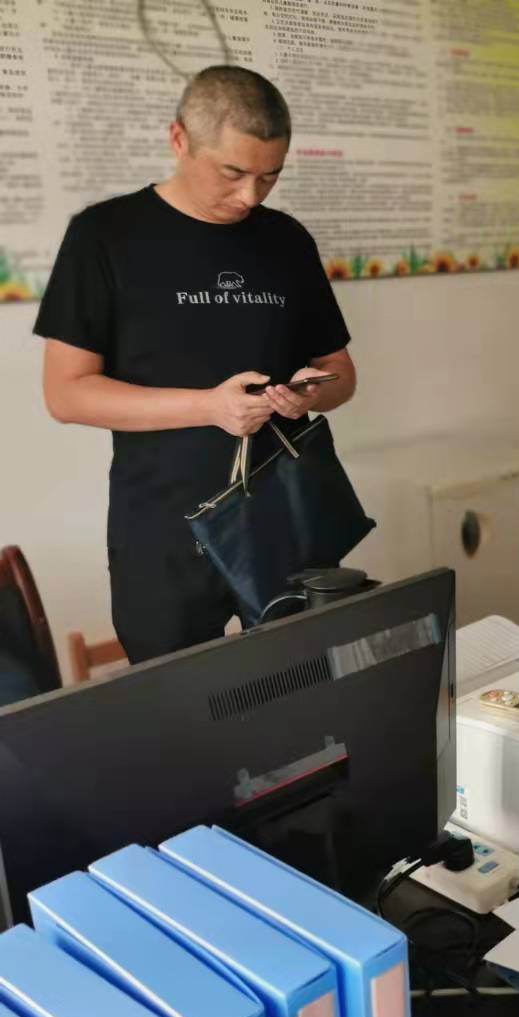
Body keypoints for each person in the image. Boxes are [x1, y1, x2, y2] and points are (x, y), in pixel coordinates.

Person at [36, 65, 355, 664]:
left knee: (305, 683)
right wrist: (209, 407)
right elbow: (66, 394)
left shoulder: (286, 240)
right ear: (179, 139)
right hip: (164, 531)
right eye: (232, 173)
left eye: (270, 176)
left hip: (287, 516)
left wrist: (311, 394)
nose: (250, 196)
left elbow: (341, 371)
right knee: (181, 701)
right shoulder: (105, 235)